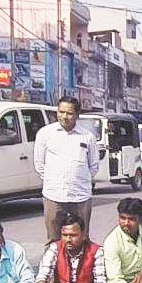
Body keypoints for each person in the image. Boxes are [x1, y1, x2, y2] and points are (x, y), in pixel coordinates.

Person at [34, 95, 101, 241]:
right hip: (54, 196)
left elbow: (93, 166)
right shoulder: (45, 134)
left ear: (77, 115)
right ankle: (54, 265)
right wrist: (55, 181)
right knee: (54, 240)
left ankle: (81, 264)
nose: (65, 116)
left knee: (81, 239)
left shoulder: (87, 137)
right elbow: (40, 165)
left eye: (69, 113)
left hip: (80, 196)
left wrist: (78, 179)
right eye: (61, 112)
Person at [32, 214, 114, 283]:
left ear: (84, 235)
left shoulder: (96, 251)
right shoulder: (55, 248)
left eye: (73, 235)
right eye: (65, 235)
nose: (68, 240)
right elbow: (43, 276)